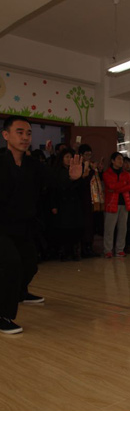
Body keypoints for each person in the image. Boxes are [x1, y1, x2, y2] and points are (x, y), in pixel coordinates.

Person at [1, 116, 83, 334]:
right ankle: (3, 315)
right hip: (1, 227)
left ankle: (20, 293)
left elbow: (55, 181)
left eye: (28, 133)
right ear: (6, 135)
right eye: (19, 132)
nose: (25, 137)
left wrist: (72, 177)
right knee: (11, 263)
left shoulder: (33, 165)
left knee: (30, 264)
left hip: (24, 225)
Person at [102, 152, 130, 259]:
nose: (121, 161)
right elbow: (110, 185)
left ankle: (120, 250)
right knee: (109, 228)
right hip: (112, 203)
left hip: (124, 203)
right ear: (112, 161)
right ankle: (108, 250)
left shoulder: (126, 174)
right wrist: (123, 184)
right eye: (119, 159)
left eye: (122, 159)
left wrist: (117, 188)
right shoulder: (107, 173)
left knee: (122, 228)